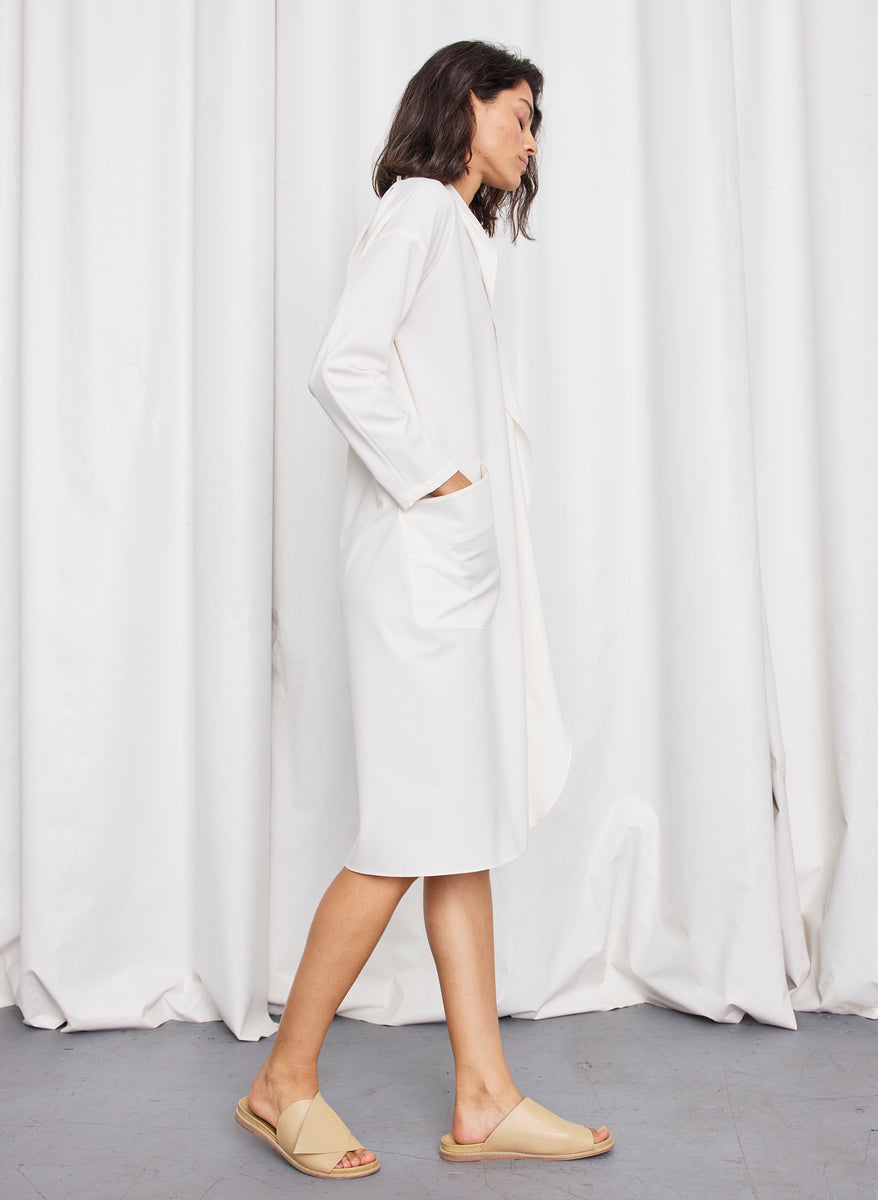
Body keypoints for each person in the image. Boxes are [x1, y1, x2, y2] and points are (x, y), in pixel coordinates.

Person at [235, 40, 613, 1180]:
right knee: (408, 830)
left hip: (449, 574)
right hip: (418, 574)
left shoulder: (453, 228)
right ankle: (284, 1080)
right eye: (518, 114)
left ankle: (484, 1097)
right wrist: (439, 482)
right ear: (465, 103)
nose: (530, 140)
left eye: (536, 123)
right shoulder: (415, 210)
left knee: (458, 829)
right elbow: (342, 364)